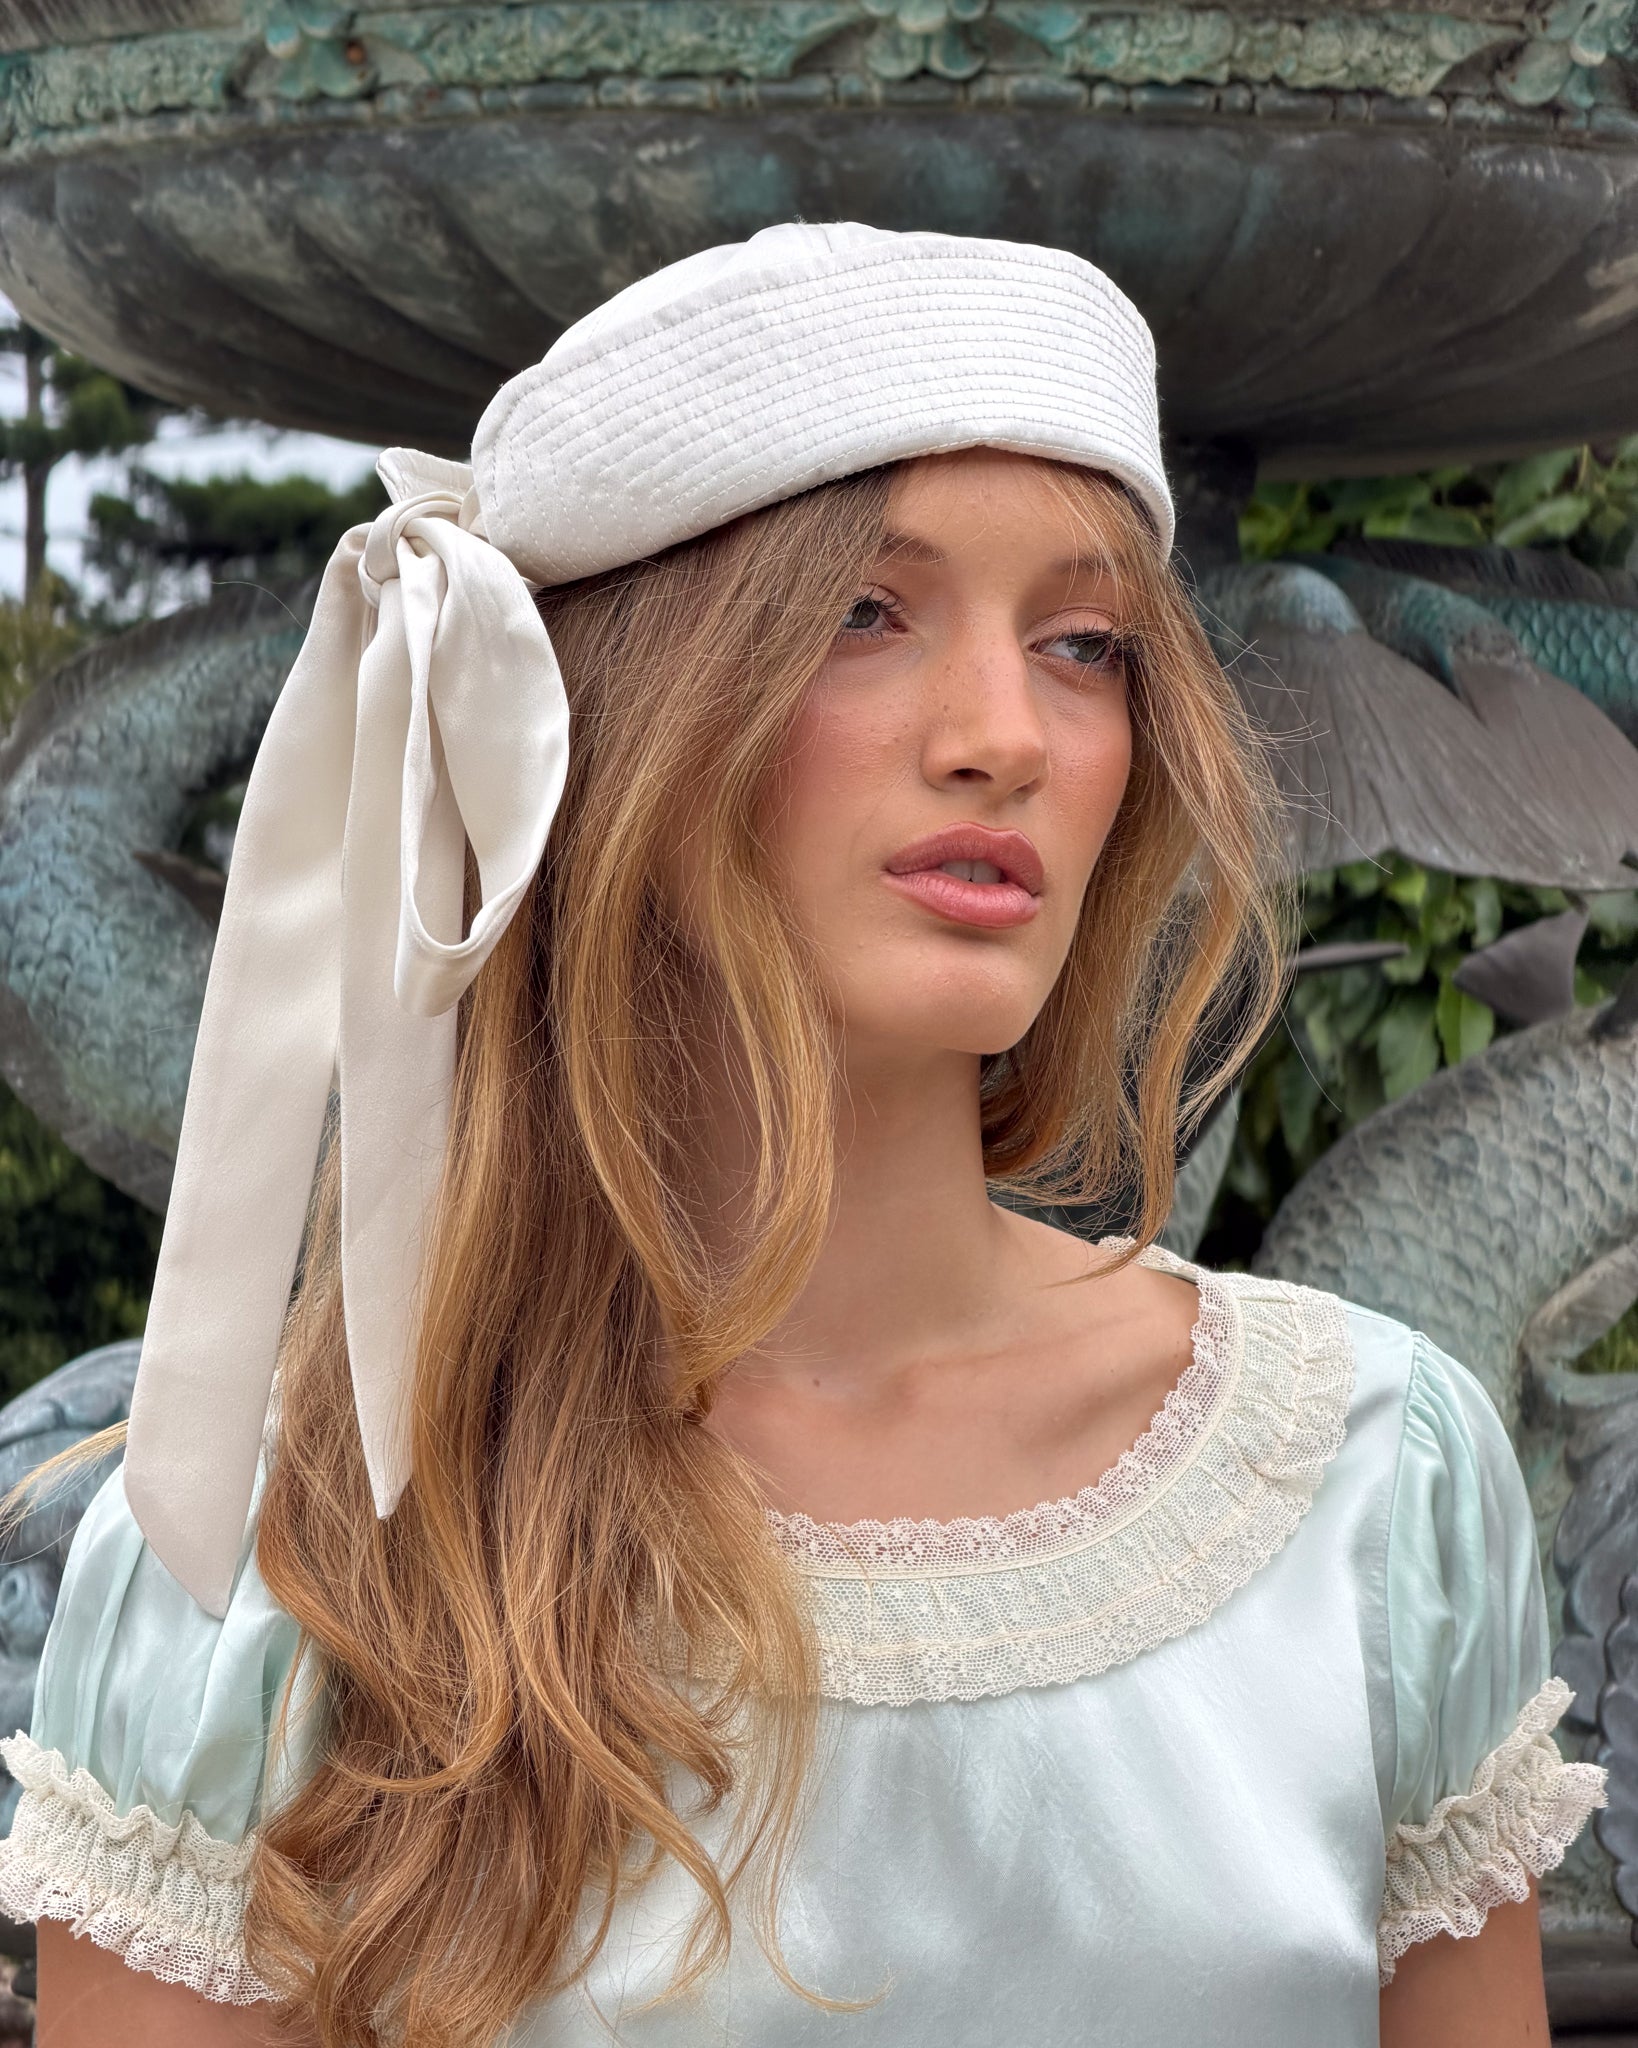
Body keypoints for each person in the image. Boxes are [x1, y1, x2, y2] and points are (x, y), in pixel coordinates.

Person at [0, 223, 1603, 2048]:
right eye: (862, 614)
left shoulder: (1370, 1488)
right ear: (606, 717)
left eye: (1082, 645)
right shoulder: (270, 1565)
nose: (1005, 734)